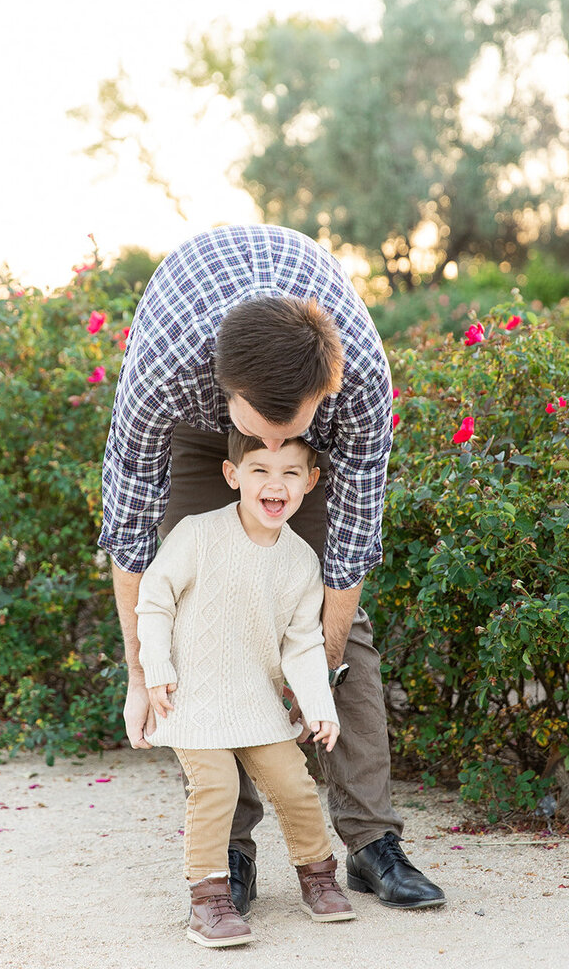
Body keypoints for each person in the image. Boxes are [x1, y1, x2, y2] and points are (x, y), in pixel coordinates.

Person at [100, 223, 445, 916]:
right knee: (207, 608)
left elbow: (348, 552)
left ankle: (373, 844)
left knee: (331, 625)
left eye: (294, 433)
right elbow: (130, 535)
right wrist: (141, 671)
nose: (276, 452)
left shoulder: (359, 381)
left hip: (301, 401)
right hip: (198, 434)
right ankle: (231, 847)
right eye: (263, 434)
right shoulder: (169, 369)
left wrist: (312, 670)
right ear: (225, 386)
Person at [136, 431, 356, 946]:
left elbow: (301, 644)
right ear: (233, 477)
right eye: (259, 470)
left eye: (289, 473)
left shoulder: (302, 561)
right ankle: (210, 900)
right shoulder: (197, 534)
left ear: (310, 482)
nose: (274, 484)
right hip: (191, 697)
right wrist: (155, 666)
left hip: (256, 700)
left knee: (295, 785)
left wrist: (318, 702)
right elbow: (155, 598)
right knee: (215, 788)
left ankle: (318, 878)